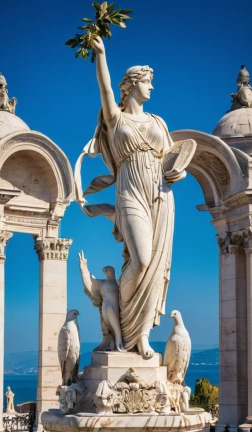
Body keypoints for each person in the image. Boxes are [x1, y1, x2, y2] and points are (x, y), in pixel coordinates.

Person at [75, 36, 191, 359]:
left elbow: (172, 160)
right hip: (131, 193)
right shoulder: (117, 120)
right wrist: (101, 55)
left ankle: (139, 335)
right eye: (148, 82)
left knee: (153, 265)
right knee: (140, 260)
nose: (152, 88)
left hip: (160, 196)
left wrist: (176, 171)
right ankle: (122, 325)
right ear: (133, 84)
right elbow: (105, 89)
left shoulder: (158, 122)